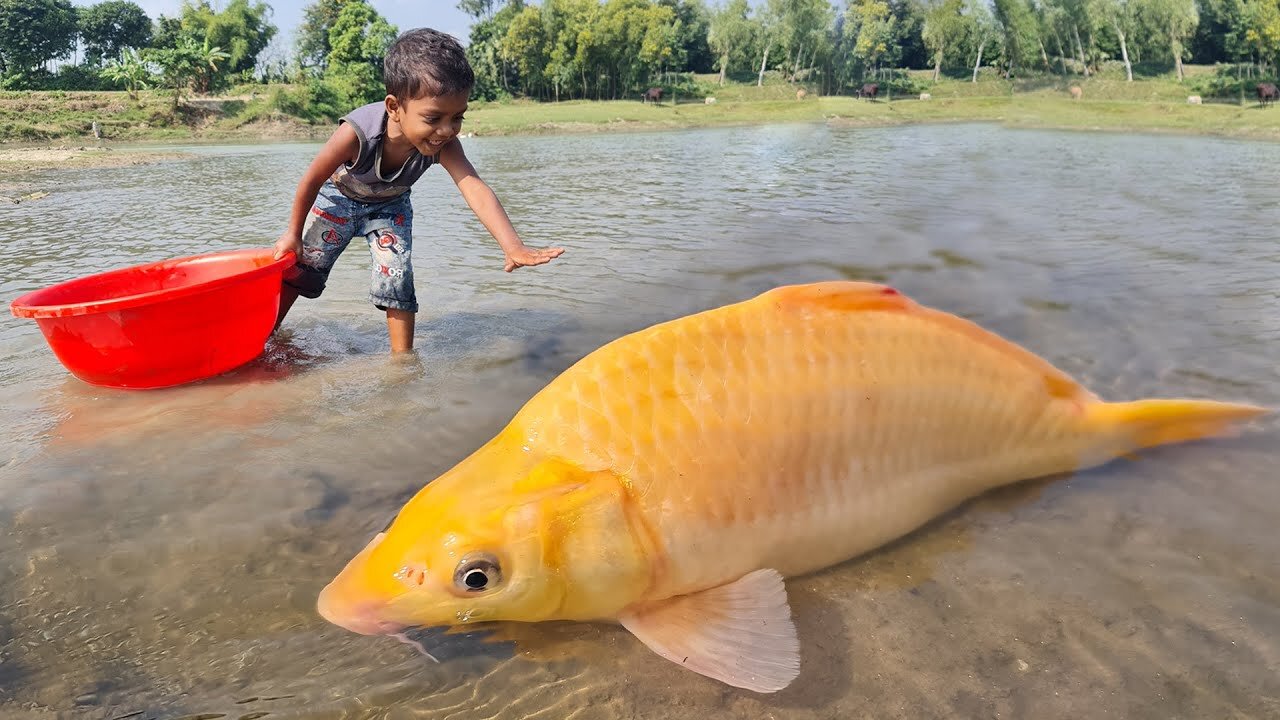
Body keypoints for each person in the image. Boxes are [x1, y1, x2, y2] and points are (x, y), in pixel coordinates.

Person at [272, 27, 563, 353]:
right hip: (339, 199)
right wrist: (292, 234)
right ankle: (267, 335)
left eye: (458, 117)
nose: (446, 130)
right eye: (434, 117)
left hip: (389, 206)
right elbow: (311, 180)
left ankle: (403, 362)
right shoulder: (357, 134)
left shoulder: (445, 144)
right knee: (305, 268)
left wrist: (513, 245)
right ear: (394, 107)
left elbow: (474, 187)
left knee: (397, 276)